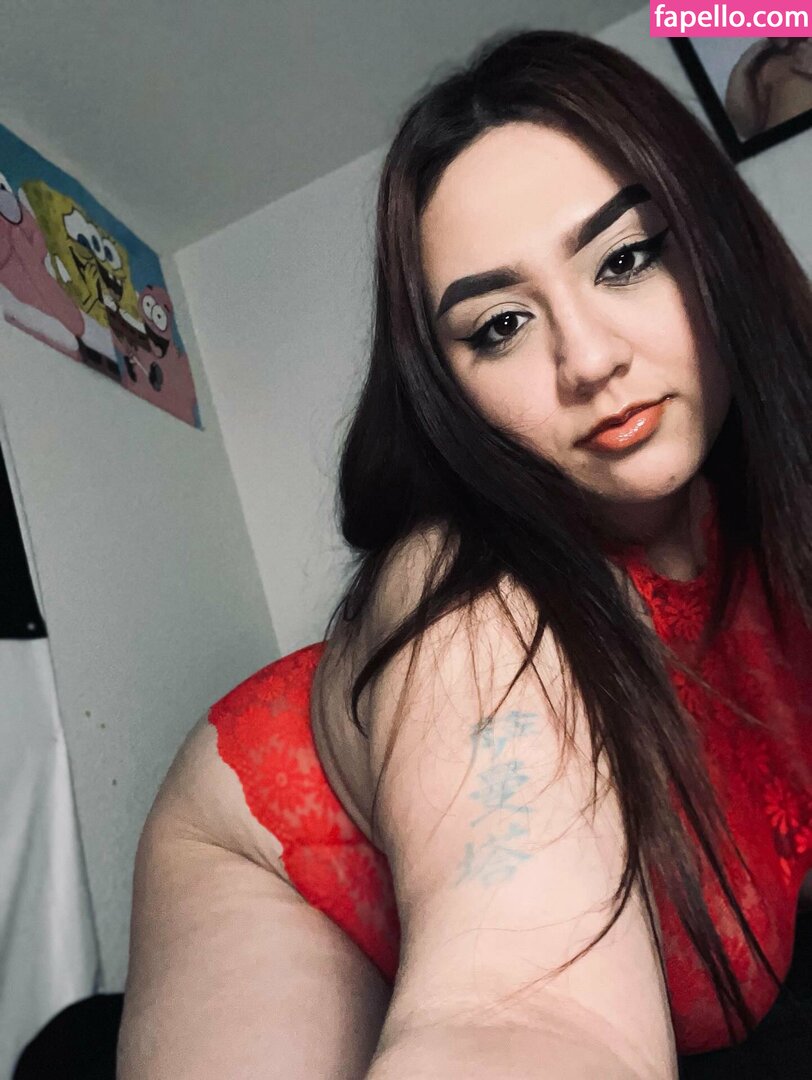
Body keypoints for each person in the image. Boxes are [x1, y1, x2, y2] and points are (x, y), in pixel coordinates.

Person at [117, 29, 812, 1079]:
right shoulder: (471, 602)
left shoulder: (776, 497)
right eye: (499, 325)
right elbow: (526, 1014)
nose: (588, 360)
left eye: (624, 259)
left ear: (715, 242)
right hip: (283, 849)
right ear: (448, 392)